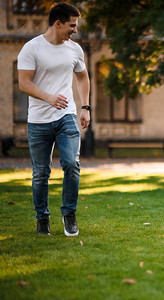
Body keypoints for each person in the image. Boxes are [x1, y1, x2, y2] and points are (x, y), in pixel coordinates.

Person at [17, 3, 90, 236]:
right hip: (38, 120)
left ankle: (69, 215)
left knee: (71, 164)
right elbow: (24, 83)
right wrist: (48, 97)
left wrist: (85, 107)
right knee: (40, 173)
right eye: (72, 25)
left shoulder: (74, 50)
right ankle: (43, 219)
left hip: (66, 116)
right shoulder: (32, 49)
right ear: (57, 24)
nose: (75, 30)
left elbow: (83, 78)